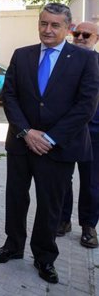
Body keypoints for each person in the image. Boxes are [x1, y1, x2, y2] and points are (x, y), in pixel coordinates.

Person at [0, 3, 99, 285]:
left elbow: (85, 106)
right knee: (15, 198)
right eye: (43, 23)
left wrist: (49, 137)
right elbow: (9, 96)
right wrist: (26, 132)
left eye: (55, 25)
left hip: (58, 148)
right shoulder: (22, 55)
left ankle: (44, 257)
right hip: (21, 143)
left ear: (67, 28)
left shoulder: (85, 60)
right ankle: (13, 246)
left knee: (50, 205)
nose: (47, 30)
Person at [56, 21, 99, 248]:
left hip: (94, 134)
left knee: (91, 182)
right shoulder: (64, 60)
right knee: (63, 179)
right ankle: (62, 221)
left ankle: (88, 226)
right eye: (77, 33)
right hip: (66, 132)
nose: (80, 37)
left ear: (96, 39)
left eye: (86, 35)